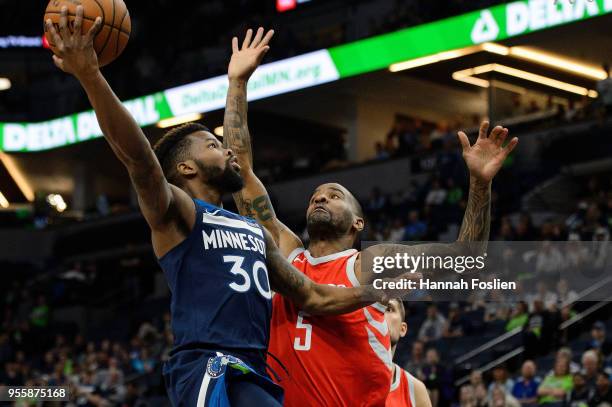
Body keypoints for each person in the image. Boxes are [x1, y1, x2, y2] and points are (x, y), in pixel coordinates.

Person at [46, 14, 387, 407]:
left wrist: (378, 288)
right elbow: (140, 160)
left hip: (255, 372)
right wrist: (91, 77)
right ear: (186, 168)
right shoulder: (179, 213)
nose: (224, 149)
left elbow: (314, 296)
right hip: (210, 366)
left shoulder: (255, 232)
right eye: (212, 145)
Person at [223, 23, 518, 404]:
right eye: (316, 196)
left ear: (358, 222)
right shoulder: (286, 251)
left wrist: (479, 186)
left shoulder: (368, 264)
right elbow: (240, 173)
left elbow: (465, 261)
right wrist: (237, 84)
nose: (320, 199)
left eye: (334, 195)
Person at [384, 298, 432, 407]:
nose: (380, 314)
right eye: (375, 309)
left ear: (402, 329)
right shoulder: (343, 379)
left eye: (388, 309)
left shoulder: (416, 391)